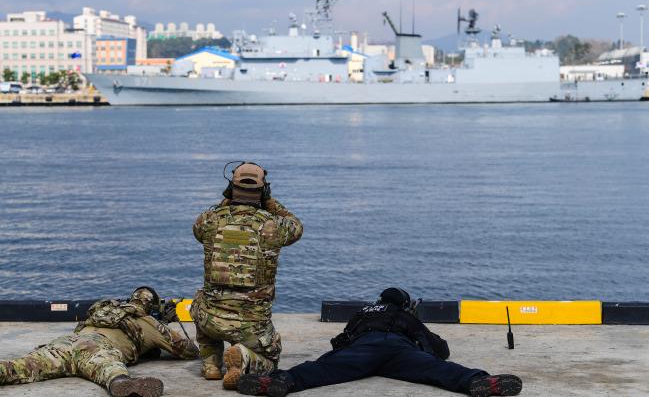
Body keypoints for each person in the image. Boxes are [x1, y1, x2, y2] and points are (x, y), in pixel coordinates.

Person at [237, 288, 523, 397]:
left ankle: (278, 381)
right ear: (405, 304)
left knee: (317, 370)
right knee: (439, 371)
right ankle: (478, 382)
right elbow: (439, 350)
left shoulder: (362, 314)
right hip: (398, 350)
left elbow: (339, 343)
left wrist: (344, 359)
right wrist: (422, 350)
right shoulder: (402, 315)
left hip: (361, 349)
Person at [191, 162, 303, 389]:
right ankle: (242, 358)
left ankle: (211, 363)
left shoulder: (209, 220)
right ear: (264, 191)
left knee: (198, 301)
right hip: (252, 328)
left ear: (231, 188)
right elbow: (297, 226)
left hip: (210, 321)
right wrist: (271, 203)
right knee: (271, 362)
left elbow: (199, 230)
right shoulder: (275, 225)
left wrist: (227, 200)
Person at [0, 286, 199, 397]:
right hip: (98, 347)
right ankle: (121, 384)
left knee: (22, 366)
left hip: (70, 341)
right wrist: (167, 325)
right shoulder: (147, 321)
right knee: (109, 368)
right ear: (150, 306)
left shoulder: (106, 311)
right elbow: (188, 351)